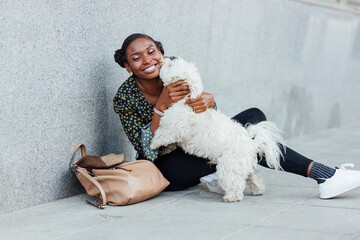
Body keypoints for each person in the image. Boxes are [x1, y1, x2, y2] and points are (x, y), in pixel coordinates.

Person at [113, 33, 360, 199]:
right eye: (136, 58)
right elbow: (148, 149)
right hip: (171, 167)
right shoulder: (125, 97)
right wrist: (161, 106)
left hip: (199, 146)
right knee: (244, 140)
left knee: (253, 117)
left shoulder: (175, 67)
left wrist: (209, 102)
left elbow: (207, 120)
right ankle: (323, 174)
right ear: (127, 66)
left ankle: (220, 171)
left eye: (151, 51)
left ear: (161, 51)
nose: (147, 60)